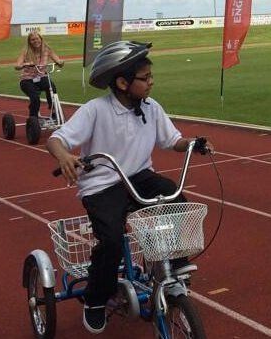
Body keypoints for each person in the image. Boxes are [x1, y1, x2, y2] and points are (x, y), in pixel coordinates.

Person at [47, 40, 208, 334]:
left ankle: (175, 268)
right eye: (145, 78)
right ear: (122, 83)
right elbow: (56, 139)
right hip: (102, 184)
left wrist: (191, 144)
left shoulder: (151, 108)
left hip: (139, 176)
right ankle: (95, 300)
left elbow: (171, 140)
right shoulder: (96, 110)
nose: (151, 82)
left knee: (176, 199)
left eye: (150, 76)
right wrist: (64, 156)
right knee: (110, 240)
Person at [15, 31, 64, 118]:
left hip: (41, 77)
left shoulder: (47, 49)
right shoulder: (26, 52)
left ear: (41, 39)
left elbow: (58, 60)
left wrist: (60, 62)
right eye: (33, 40)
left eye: (37, 39)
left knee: (51, 88)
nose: (35, 41)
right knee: (35, 98)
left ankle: (53, 110)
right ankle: (33, 117)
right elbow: (17, 66)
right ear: (29, 42)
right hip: (27, 79)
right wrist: (25, 64)